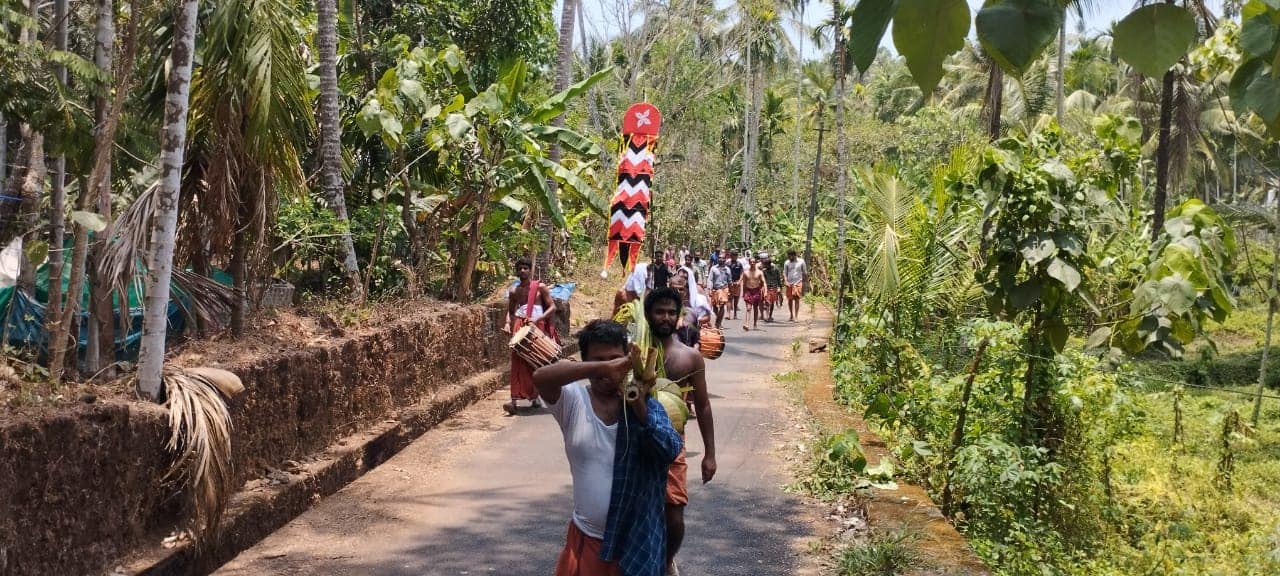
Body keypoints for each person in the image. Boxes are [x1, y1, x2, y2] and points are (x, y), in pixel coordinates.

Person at [534, 320, 683, 576]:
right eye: (598, 360)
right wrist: (605, 367)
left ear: (628, 359)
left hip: (636, 542)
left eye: (615, 358)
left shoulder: (648, 405)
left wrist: (637, 404)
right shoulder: (573, 401)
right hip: (586, 539)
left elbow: (668, 449)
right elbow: (540, 378)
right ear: (586, 363)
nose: (609, 369)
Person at [644, 288, 717, 576]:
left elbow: (703, 404)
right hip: (633, 442)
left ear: (679, 317)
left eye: (671, 312)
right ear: (648, 314)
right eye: (659, 311)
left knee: (674, 514)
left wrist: (710, 454)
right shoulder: (633, 351)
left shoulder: (690, 358)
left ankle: (666, 560)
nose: (665, 317)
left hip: (673, 444)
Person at [506, 258, 558, 415]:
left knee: (536, 361)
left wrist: (538, 319)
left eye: (525, 268)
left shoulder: (540, 287)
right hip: (520, 326)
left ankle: (535, 397)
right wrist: (508, 323)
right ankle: (514, 399)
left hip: (537, 326)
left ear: (530, 270)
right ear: (517, 271)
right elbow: (511, 310)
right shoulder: (514, 291)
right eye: (520, 268)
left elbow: (552, 307)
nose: (522, 270)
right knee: (517, 361)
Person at [740, 256, 767, 331]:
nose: (752, 263)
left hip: (756, 290)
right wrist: (744, 293)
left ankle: (755, 324)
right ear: (749, 263)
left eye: (753, 262)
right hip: (748, 291)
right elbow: (744, 284)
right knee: (748, 308)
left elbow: (764, 282)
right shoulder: (746, 273)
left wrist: (765, 292)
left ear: (755, 263)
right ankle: (747, 324)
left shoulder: (759, 272)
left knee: (755, 308)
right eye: (751, 262)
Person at [784, 250, 808, 322]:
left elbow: (805, 273)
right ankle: (791, 315)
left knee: (797, 299)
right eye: (788, 256)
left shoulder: (801, 261)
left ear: (794, 255)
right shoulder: (787, 262)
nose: (789, 258)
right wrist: (786, 281)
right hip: (789, 283)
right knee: (790, 299)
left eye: (790, 256)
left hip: (798, 282)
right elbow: (785, 273)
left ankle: (796, 316)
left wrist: (805, 283)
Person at [708, 259, 731, 329]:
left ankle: (719, 323)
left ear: (725, 259)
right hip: (715, 289)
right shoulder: (713, 268)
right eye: (720, 258)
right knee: (714, 307)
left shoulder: (727, 269)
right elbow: (710, 279)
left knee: (722, 305)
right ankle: (718, 319)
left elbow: (729, 280)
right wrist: (709, 289)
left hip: (724, 289)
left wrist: (730, 290)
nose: (721, 259)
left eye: (723, 258)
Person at [726, 250, 744, 320]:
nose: (734, 257)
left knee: (736, 299)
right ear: (731, 256)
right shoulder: (727, 264)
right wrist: (728, 282)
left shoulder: (739, 264)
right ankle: (728, 313)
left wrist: (739, 281)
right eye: (733, 255)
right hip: (730, 283)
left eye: (736, 255)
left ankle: (735, 313)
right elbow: (725, 273)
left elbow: (742, 273)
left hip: (737, 283)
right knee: (729, 298)